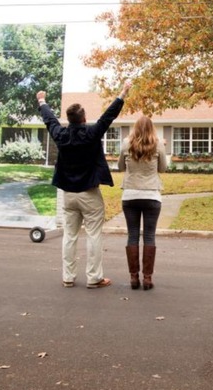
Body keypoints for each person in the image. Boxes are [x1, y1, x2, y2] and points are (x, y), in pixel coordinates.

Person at [37, 81, 131, 289]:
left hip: (69, 195)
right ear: (84, 118)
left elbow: (50, 120)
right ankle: (94, 277)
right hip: (89, 193)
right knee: (94, 234)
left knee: (69, 236)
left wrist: (42, 101)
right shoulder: (91, 134)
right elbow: (108, 116)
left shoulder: (61, 135)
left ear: (69, 120)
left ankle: (68, 278)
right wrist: (123, 93)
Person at [118, 116, 167, 290]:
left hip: (130, 195)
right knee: (149, 235)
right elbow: (163, 168)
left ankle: (133, 278)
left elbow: (120, 168)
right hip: (152, 195)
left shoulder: (126, 144)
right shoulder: (158, 144)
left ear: (135, 128)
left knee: (132, 234)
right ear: (152, 128)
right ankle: (147, 278)